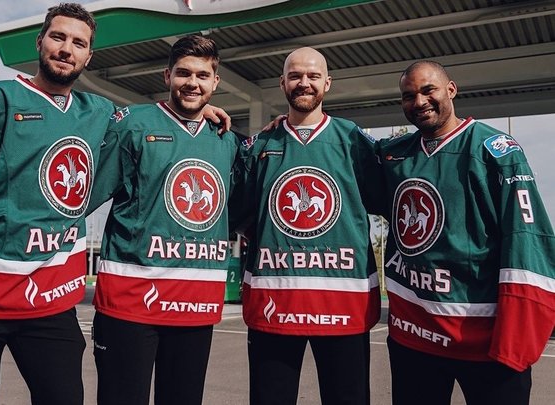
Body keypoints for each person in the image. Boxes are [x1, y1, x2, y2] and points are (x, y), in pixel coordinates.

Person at [376, 60, 555, 405]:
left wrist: (518, 335)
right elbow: (344, 151)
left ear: (451, 90)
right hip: (414, 339)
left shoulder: (495, 149)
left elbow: (526, 238)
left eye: (428, 90)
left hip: (483, 343)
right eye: (409, 96)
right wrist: (287, 124)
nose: (419, 101)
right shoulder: (394, 154)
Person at [86, 35, 242, 405]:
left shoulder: (227, 140)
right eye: (184, 73)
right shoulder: (133, 124)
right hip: (130, 302)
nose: (193, 83)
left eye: (202, 76)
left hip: (195, 305)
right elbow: (82, 197)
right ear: (167, 75)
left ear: (215, 82)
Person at [240, 47, 384, 405]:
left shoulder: (353, 139)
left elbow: (384, 197)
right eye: (295, 76)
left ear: (327, 83)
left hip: (343, 305)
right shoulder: (261, 144)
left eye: (313, 76)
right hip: (275, 302)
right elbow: (239, 213)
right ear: (282, 83)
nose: (304, 83)